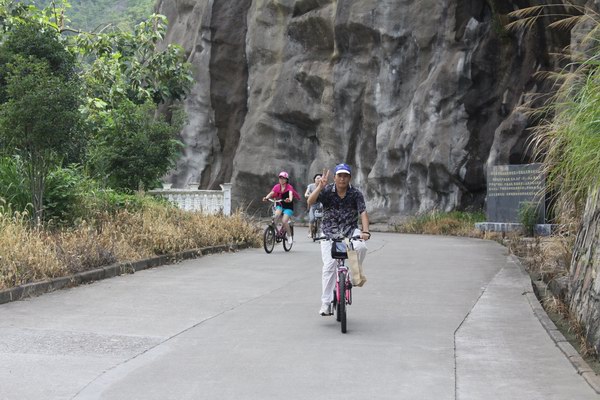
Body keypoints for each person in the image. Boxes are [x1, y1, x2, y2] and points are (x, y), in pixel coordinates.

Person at [307, 163, 370, 316]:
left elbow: (362, 213)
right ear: (334, 177)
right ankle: (326, 303)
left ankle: (356, 274)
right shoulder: (327, 190)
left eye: (345, 175)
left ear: (349, 178)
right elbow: (310, 202)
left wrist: (365, 231)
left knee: (361, 247)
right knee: (329, 266)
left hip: (350, 230)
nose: (342, 178)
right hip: (329, 232)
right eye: (339, 175)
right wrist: (319, 187)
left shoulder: (355, 193)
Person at [263, 171, 301, 244]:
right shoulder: (277, 186)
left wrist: (289, 199)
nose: (281, 180)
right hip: (280, 204)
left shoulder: (289, 187)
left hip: (288, 207)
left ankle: (289, 236)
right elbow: (272, 193)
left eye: (283, 178)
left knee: (284, 221)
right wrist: (266, 197)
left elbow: (291, 194)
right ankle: (272, 232)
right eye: (280, 178)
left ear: (286, 179)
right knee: (276, 216)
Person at [304, 173, 323, 238]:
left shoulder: (323, 186)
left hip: (321, 204)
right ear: (314, 179)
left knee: (322, 219)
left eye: (320, 178)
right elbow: (306, 193)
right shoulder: (310, 186)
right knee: (312, 219)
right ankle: (309, 232)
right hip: (313, 205)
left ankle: (321, 232)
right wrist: (308, 195)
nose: (319, 179)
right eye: (317, 178)